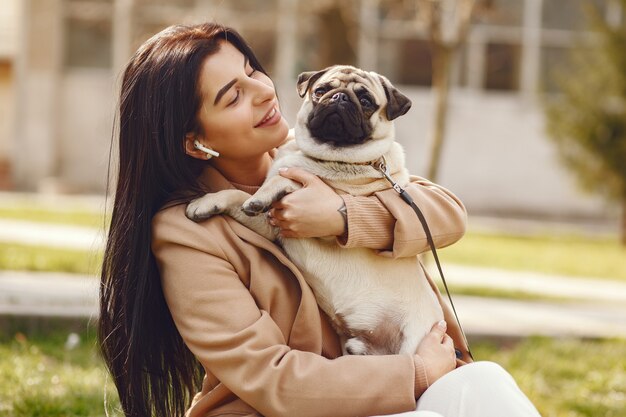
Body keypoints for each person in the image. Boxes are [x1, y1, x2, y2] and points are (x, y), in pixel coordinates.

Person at [98, 22, 541, 417]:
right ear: (196, 143)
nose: (264, 91)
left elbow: (445, 215)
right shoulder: (185, 233)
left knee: (487, 382)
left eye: (253, 71)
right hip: (302, 408)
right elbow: (272, 378)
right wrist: (417, 373)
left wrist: (342, 216)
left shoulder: (318, 153)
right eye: (234, 96)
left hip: (392, 381)